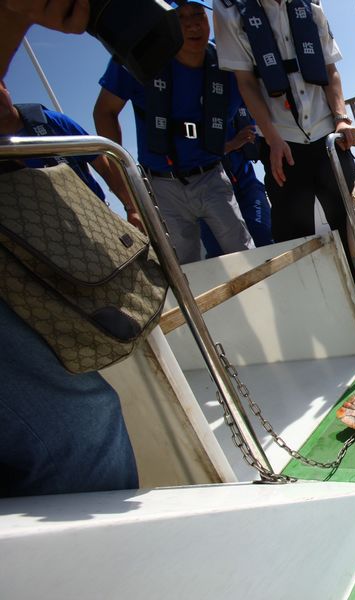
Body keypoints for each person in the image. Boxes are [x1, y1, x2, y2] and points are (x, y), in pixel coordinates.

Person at [0, 0, 138, 497]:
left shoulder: (47, 123)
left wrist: (132, 205)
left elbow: (103, 155)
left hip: (85, 254)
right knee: (80, 422)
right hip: (29, 271)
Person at [93, 0, 256, 264]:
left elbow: (261, 100)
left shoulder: (228, 64)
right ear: (165, 22)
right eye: (180, 17)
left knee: (243, 252)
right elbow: (104, 111)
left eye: (198, 14)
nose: (192, 24)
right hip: (160, 184)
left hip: (211, 176)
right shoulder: (139, 58)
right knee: (184, 267)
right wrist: (126, 184)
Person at [212, 0, 355, 249]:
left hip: (327, 136)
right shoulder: (229, 8)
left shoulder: (312, 3)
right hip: (280, 144)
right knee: (293, 238)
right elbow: (246, 81)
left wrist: (342, 119)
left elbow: (329, 68)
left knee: (350, 228)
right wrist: (272, 139)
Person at [0, 79, 143, 230]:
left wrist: (132, 209)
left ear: (4, 86)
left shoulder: (52, 121)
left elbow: (104, 166)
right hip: (43, 234)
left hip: (97, 220)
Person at [201, 104, 274, 257]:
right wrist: (232, 145)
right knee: (219, 254)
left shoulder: (240, 96)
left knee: (262, 236)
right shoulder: (188, 103)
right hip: (207, 193)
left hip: (247, 185)